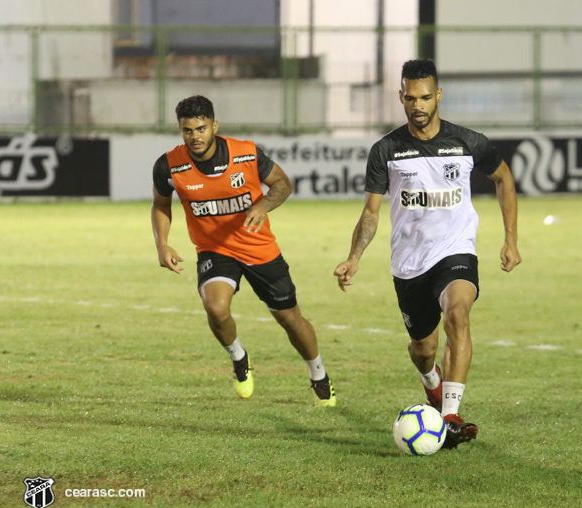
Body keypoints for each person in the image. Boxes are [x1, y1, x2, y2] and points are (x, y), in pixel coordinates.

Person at [334, 59, 521, 448]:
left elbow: (503, 177)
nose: (418, 105)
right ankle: (430, 380)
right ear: (401, 97)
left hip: (456, 250)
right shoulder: (386, 150)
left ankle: (450, 416)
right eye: (410, 98)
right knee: (424, 349)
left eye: (424, 97)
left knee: (458, 314)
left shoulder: (467, 142)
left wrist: (510, 239)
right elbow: (371, 212)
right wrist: (354, 257)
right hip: (409, 262)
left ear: (438, 95)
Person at [151, 95, 336, 407]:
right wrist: (162, 243)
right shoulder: (169, 165)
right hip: (214, 250)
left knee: (290, 319)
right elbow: (160, 205)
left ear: (214, 126)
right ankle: (239, 358)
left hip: (259, 248)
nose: (195, 137)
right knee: (215, 307)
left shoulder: (246, 154)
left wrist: (263, 205)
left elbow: (283, 184)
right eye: (187, 130)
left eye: (201, 128)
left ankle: (318, 374)